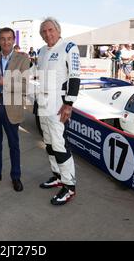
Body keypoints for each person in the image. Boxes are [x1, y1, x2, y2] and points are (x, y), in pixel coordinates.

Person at [36, 17, 80, 206]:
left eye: (50, 30)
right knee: (48, 143)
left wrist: (68, 103)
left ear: (58, 30)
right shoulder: (41, 51)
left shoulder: (69, 47)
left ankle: (69, 186)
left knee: (59, 144)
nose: (48, 34)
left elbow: (75, 77)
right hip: (43, 101)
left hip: (58, 103)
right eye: (44, 31)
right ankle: (57, 176)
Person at [0, 28, 30, 192]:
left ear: (13, 40)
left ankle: (16, 176)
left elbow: (25, 86)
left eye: (9, 39)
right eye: (3, 39)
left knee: (13, 144)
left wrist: (4, 82)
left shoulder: (22, 59)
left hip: (12, 106)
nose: (6, 42)